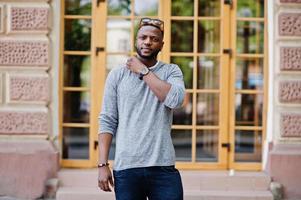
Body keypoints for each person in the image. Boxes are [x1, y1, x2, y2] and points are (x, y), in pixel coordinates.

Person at [97, 17, 185, 200]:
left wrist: (143, 71)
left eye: (153, 39)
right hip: (126, 168)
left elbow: (175, 100)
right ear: (136, 41)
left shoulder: (171, 71)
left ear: (161, 44)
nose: (147, 42)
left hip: (163, 167)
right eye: (143, 37)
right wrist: (102, 164)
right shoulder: (117, 74)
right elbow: (107, 120)